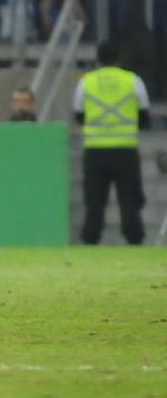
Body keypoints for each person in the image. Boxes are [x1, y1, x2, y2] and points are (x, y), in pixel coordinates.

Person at [73, 41, 151, 245]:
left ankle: (91, 238)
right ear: (120, 58)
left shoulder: (86, 82)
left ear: (98, 58)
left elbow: (79, 115)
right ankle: (134, 238)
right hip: (125, 149)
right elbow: (144, 116)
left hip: (95, 151)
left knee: (94, 201)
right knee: (129, 199)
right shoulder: (133, 81)